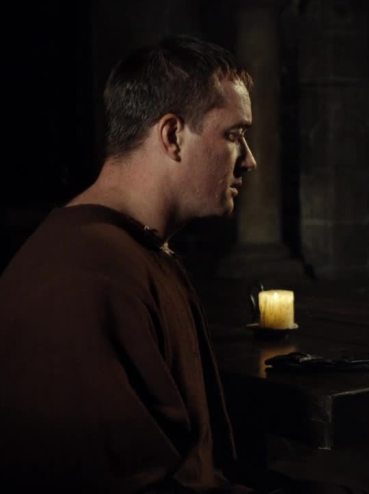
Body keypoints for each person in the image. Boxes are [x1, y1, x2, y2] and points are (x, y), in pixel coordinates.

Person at [0, 35, 276, 492]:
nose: (250, 160)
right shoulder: (87, 275)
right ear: (172, 136)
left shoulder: (131, 249)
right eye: (233, 135)